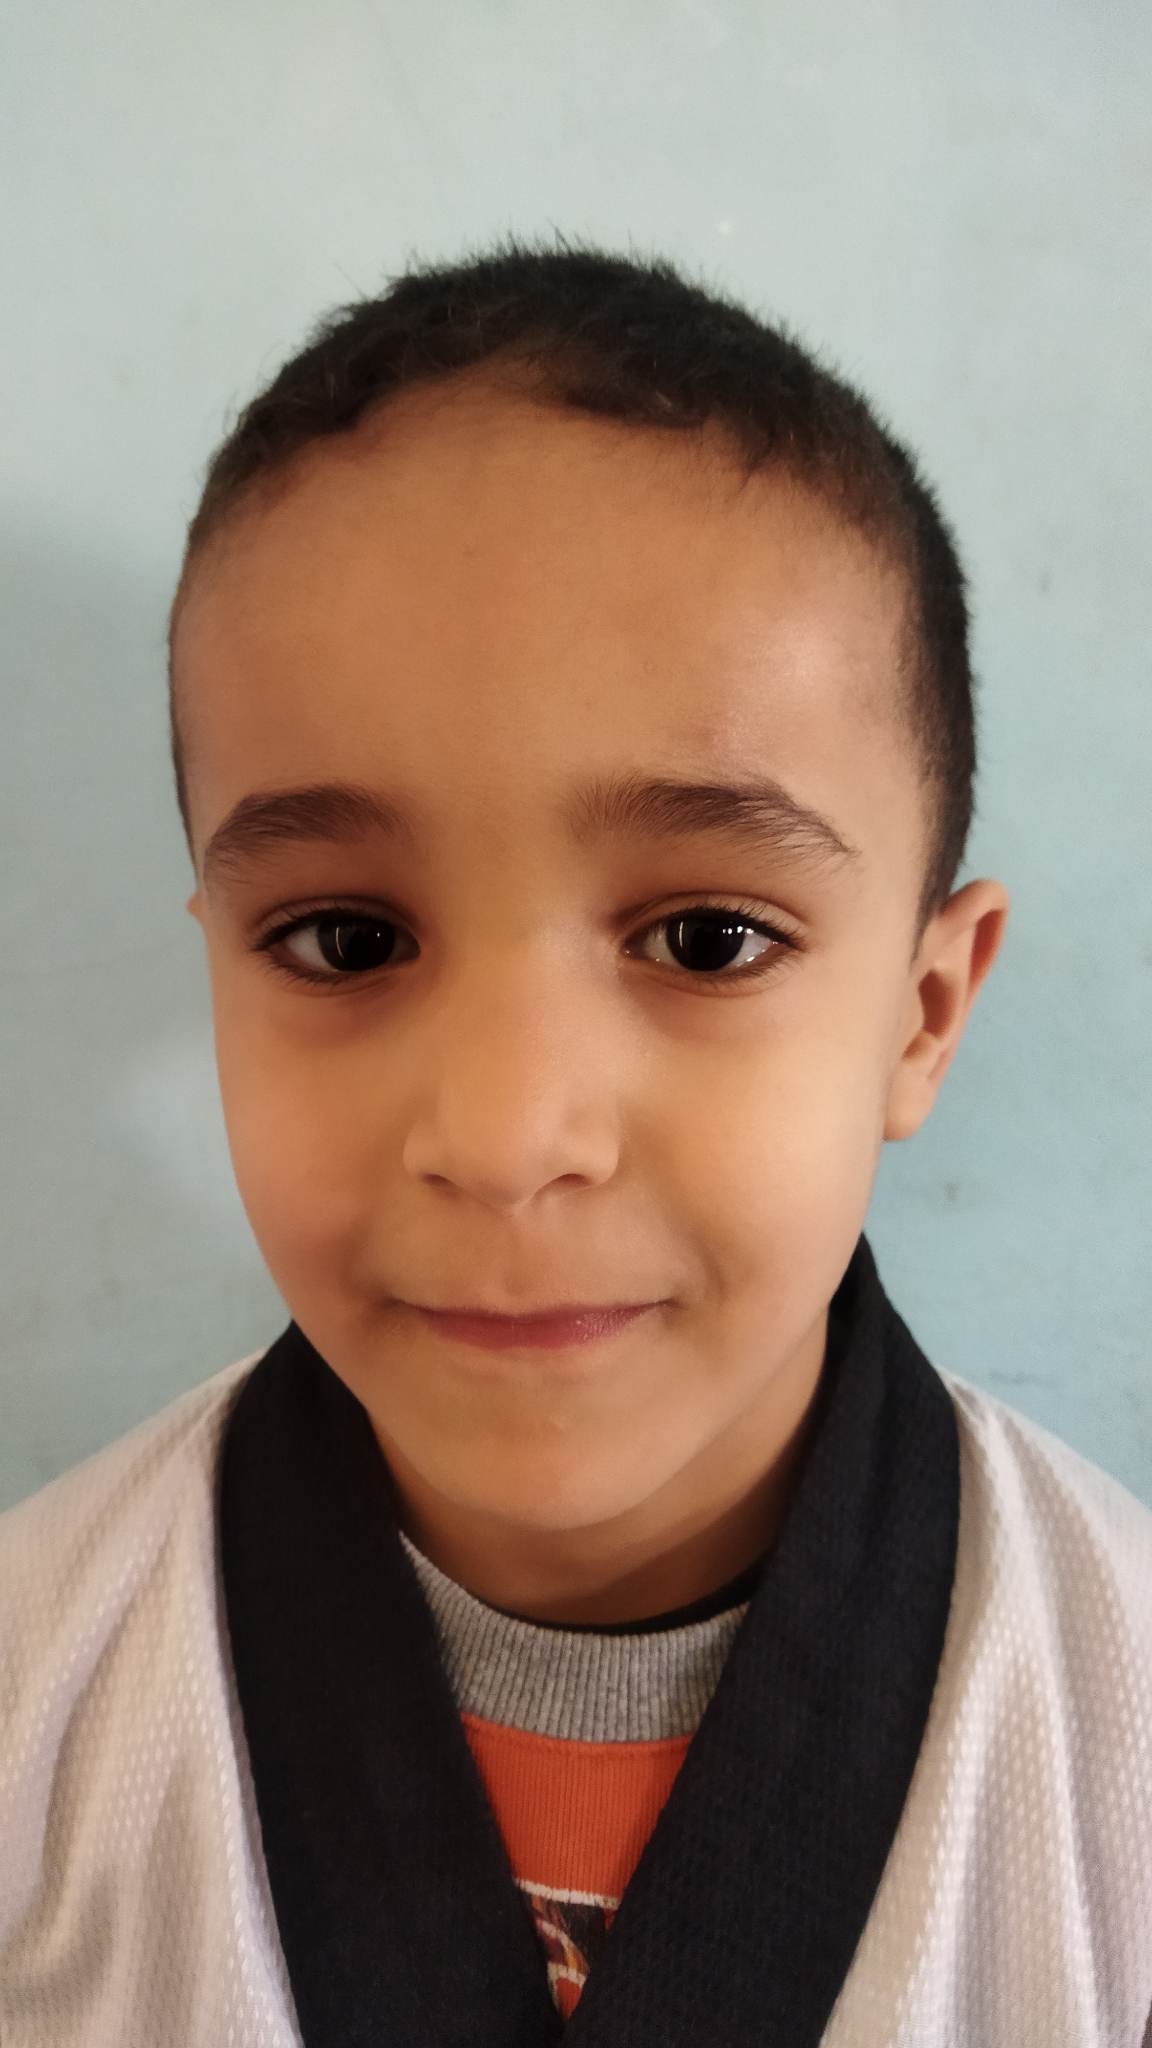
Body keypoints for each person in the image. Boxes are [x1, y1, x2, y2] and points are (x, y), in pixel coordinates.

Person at [2, 239, 1150, 2048]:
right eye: (344, 940)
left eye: (707, 937)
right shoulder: (35, 1700)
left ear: (924, 1014)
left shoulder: (1118, 1741)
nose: (507, 1139)